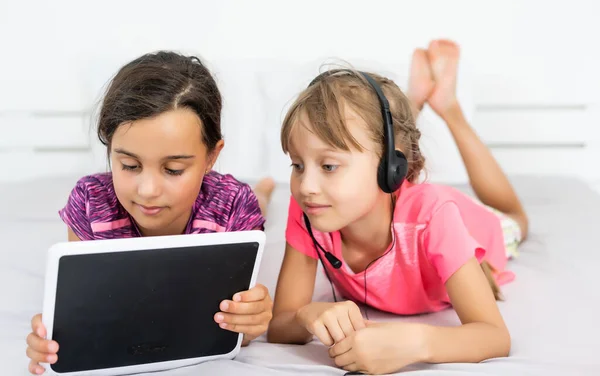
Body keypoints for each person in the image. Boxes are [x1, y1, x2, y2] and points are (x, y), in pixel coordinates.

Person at [267, 40, 528, 375]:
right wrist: (307, 314)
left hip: (471, 225)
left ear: (391, 169)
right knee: (377, 147)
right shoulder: (311, 208)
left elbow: (494, 336)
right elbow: (282, 325)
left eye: (329, 166)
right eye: (297, 165)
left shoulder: (434, 217)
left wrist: (416, 344)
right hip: (394, 198)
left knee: (515, 219)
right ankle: (413, 101)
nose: (306, 186)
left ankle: (449, 109)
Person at [25, 51, 276, 375]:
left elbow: (239, 330)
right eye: (129, 165)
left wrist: (251, 322)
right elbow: (83, 306)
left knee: (258, 199)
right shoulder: (89, 202)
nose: (147, 190)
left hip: (234, 199)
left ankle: (265, 191)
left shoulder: (234, 206)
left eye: (173, 169)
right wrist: (50, 333)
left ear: (211, 157)